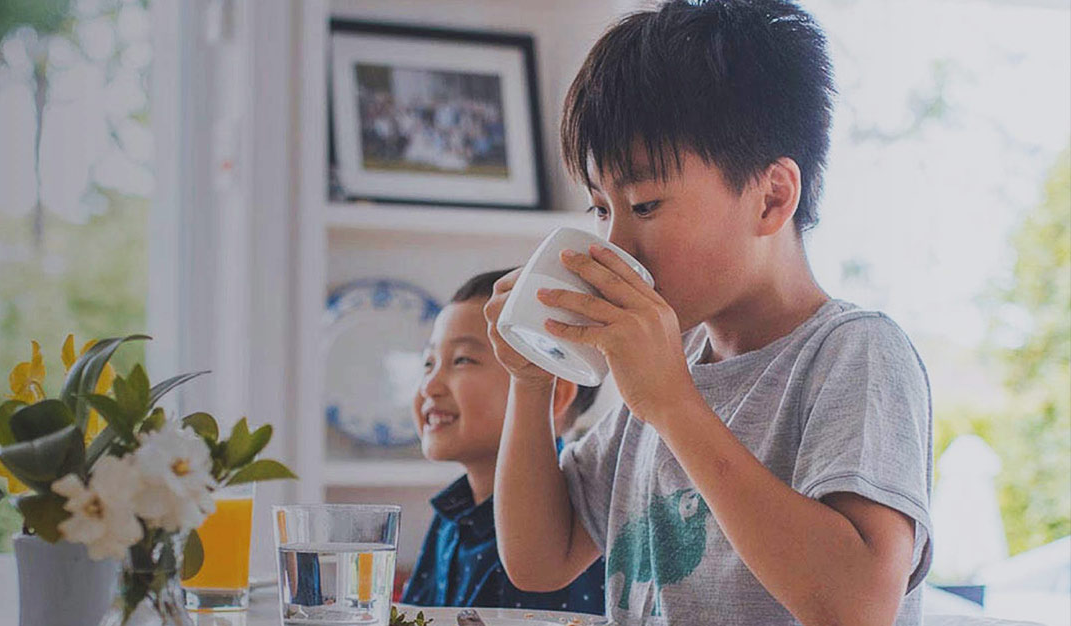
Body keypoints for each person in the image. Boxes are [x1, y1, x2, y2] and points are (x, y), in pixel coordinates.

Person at [486, 1, 933, 624]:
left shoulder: (855, 353)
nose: (614, 244)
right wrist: (531, 380)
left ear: (772, 198)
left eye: (644, 205)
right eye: (600, 208)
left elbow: (858, 606)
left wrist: (673, 403)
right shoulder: (669, 371)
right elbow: (539, 559)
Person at [399, 268, 606, 612]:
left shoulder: (572, 528)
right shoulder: (451, 517)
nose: (429, 386)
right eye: (428, 362)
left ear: (553, 396)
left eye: (462, 360)